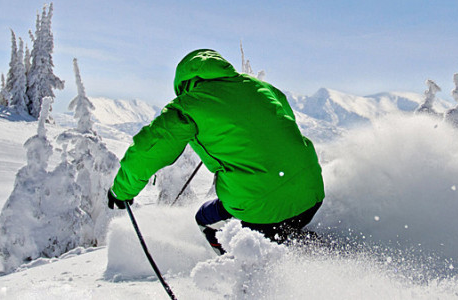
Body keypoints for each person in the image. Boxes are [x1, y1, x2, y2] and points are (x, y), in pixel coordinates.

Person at [107, 49, 325, 255]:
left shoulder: (188, 106)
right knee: (281, 214)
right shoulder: (259, 86)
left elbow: (149, 149)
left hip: (260, 208)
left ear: (184, 82)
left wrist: (122, 190)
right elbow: (283, 121)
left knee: (206, 220)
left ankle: (245, 276)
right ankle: (302, 247)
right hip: (311, 193)